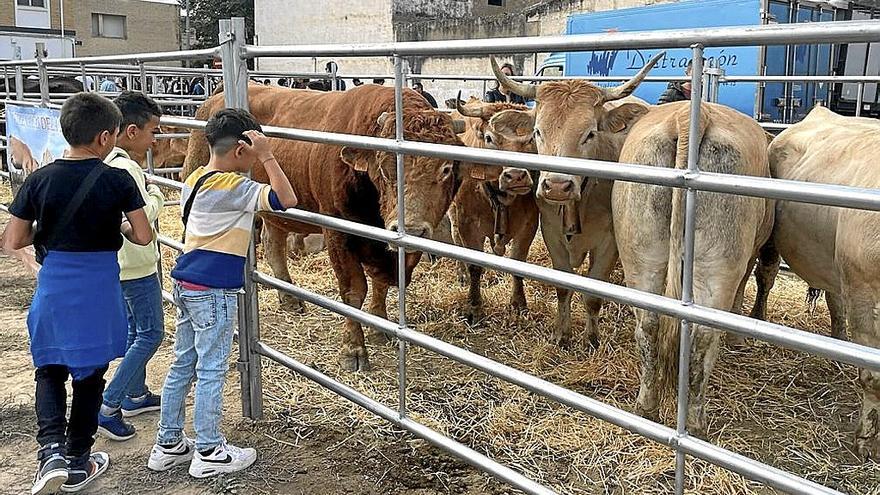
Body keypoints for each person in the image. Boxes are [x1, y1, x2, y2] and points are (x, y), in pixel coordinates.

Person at [4, 92, 152, 495]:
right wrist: (116, 227)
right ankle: (77, 459)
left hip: (55, 283)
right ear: (106, 138)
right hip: (99, 287)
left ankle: (49, 453)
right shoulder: (118, 180)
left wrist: (48, 229)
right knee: (90, 378)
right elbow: (143, 234)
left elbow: (13, 239)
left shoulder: (39, 179)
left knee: (49, 369)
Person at [148, 109, 297, 478]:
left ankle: (168, 444)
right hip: (213, 290)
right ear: (241, 150)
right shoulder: (236, 187)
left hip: (185, 283)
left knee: (184, 363)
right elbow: (286, 199)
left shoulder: (197, 178)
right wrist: (267, 155)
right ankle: (210, 450)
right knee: (212, 368)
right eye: (252, 148)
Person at [96, 91, 167, 441]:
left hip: (118, 265)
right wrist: (156, 194)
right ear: (132, 131)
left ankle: (136, 396)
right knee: (152, 333)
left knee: (135, 331)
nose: (156, 141)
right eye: (154, 132)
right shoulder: (127, 168)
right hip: (137, 265)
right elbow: (144, 218)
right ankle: (109, 405)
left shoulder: (107, 162)